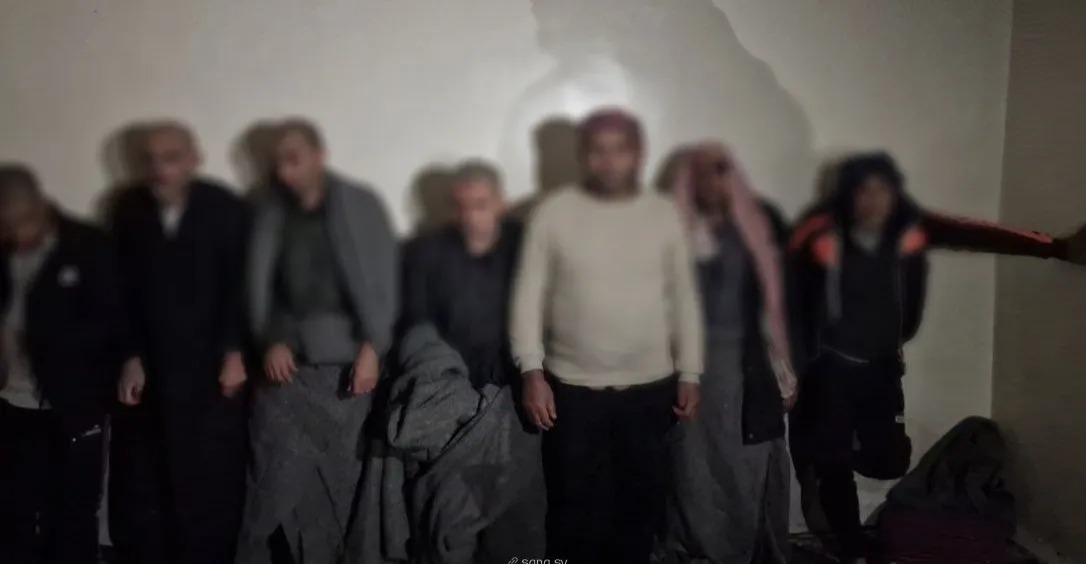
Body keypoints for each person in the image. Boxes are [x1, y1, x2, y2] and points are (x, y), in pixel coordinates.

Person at [510, 108, 704, 564]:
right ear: (582, 156)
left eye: (620, 150)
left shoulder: (665, 215)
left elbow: (685, 298)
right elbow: (526, 299)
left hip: (650, 388)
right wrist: (531, 372)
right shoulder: (552, 214)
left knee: (640, 508)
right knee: (574, 510)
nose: (609, 161)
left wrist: (690, 372)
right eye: (597, 151)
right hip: (572, 390)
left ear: (638, 154)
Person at [237, 118, 398, 564]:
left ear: (319, 155)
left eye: (294, 159)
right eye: (278, 162)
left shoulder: (360, 205)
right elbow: (257, 288)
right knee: (268, 485)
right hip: (284, 372)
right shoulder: (267, 212)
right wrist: (271, 338)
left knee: (338, 487)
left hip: (345, 368)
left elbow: (384, 283)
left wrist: (373, 349)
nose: (285, 171)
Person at [108, 121, 251, 564]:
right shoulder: (129, 208)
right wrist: (130, 356)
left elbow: (244, 286)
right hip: (152, 362)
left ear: (193, 158)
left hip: (211, 365)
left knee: (210, 481)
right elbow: (119, 288)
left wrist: (235, 351)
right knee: (148, 479)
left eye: (170, 158)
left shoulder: (224, 208)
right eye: (149, 160)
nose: (160, 169)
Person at [400, 160, 546, 562]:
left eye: (480, 205)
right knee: (449, 510)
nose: (469, 217)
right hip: (451, 395)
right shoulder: (427, 252)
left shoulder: (526, 246)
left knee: (515, 509)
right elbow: (416, 324)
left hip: (514, 390)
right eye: (461, 207)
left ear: (501, 203)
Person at [657, 142, 796, 564]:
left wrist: (786, 369)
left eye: (719, 170)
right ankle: (701, 551)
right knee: (692, 470)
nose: (710, 181)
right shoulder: (668, 228)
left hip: (747, 366)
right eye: (699, 172)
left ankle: (746, 550)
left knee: (748, 463)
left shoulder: (759, 225)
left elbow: (779, 305)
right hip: (686, 368)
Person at [0, 164, 126, 564]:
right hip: (11, 401)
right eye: (7, 226)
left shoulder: (88, 245)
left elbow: (114, 323)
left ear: (42, 205)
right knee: (15, 508)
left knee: (74, 510)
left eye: (23, 222)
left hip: (74, 403)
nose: (18, 234)